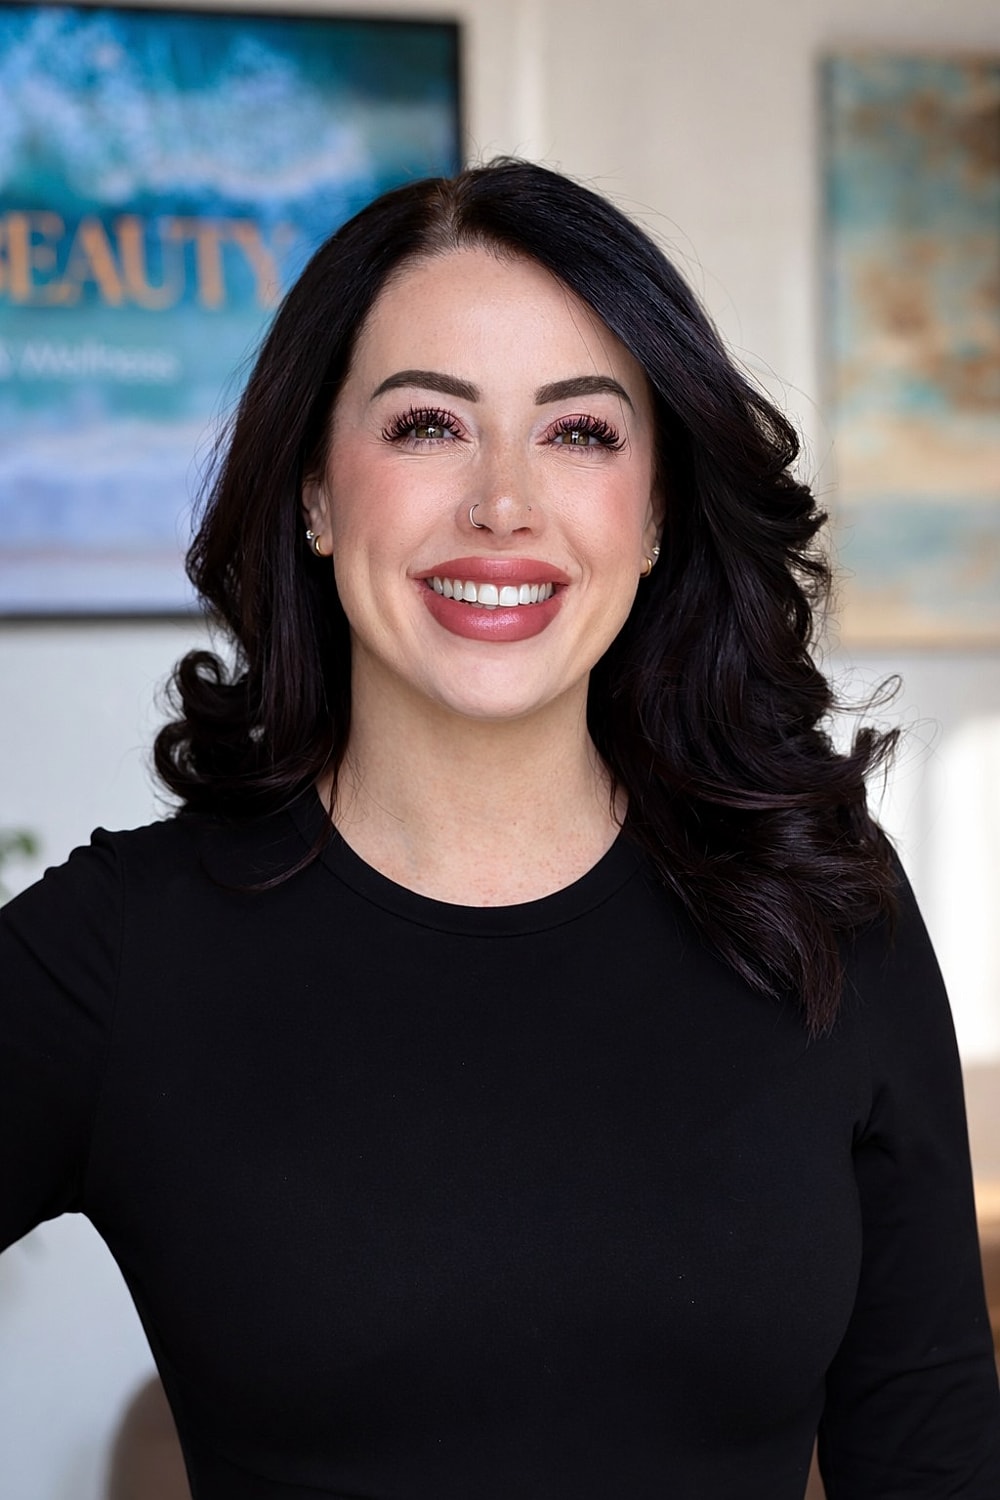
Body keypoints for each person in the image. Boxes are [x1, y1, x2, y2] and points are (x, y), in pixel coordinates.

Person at [2, 159, 998, 1500]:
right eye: (427, 426)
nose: (503, 504)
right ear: (311, 490)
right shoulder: (124, 953)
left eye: (580, 432)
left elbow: (930, 1450)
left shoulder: (820, 900)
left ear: (654, 515)